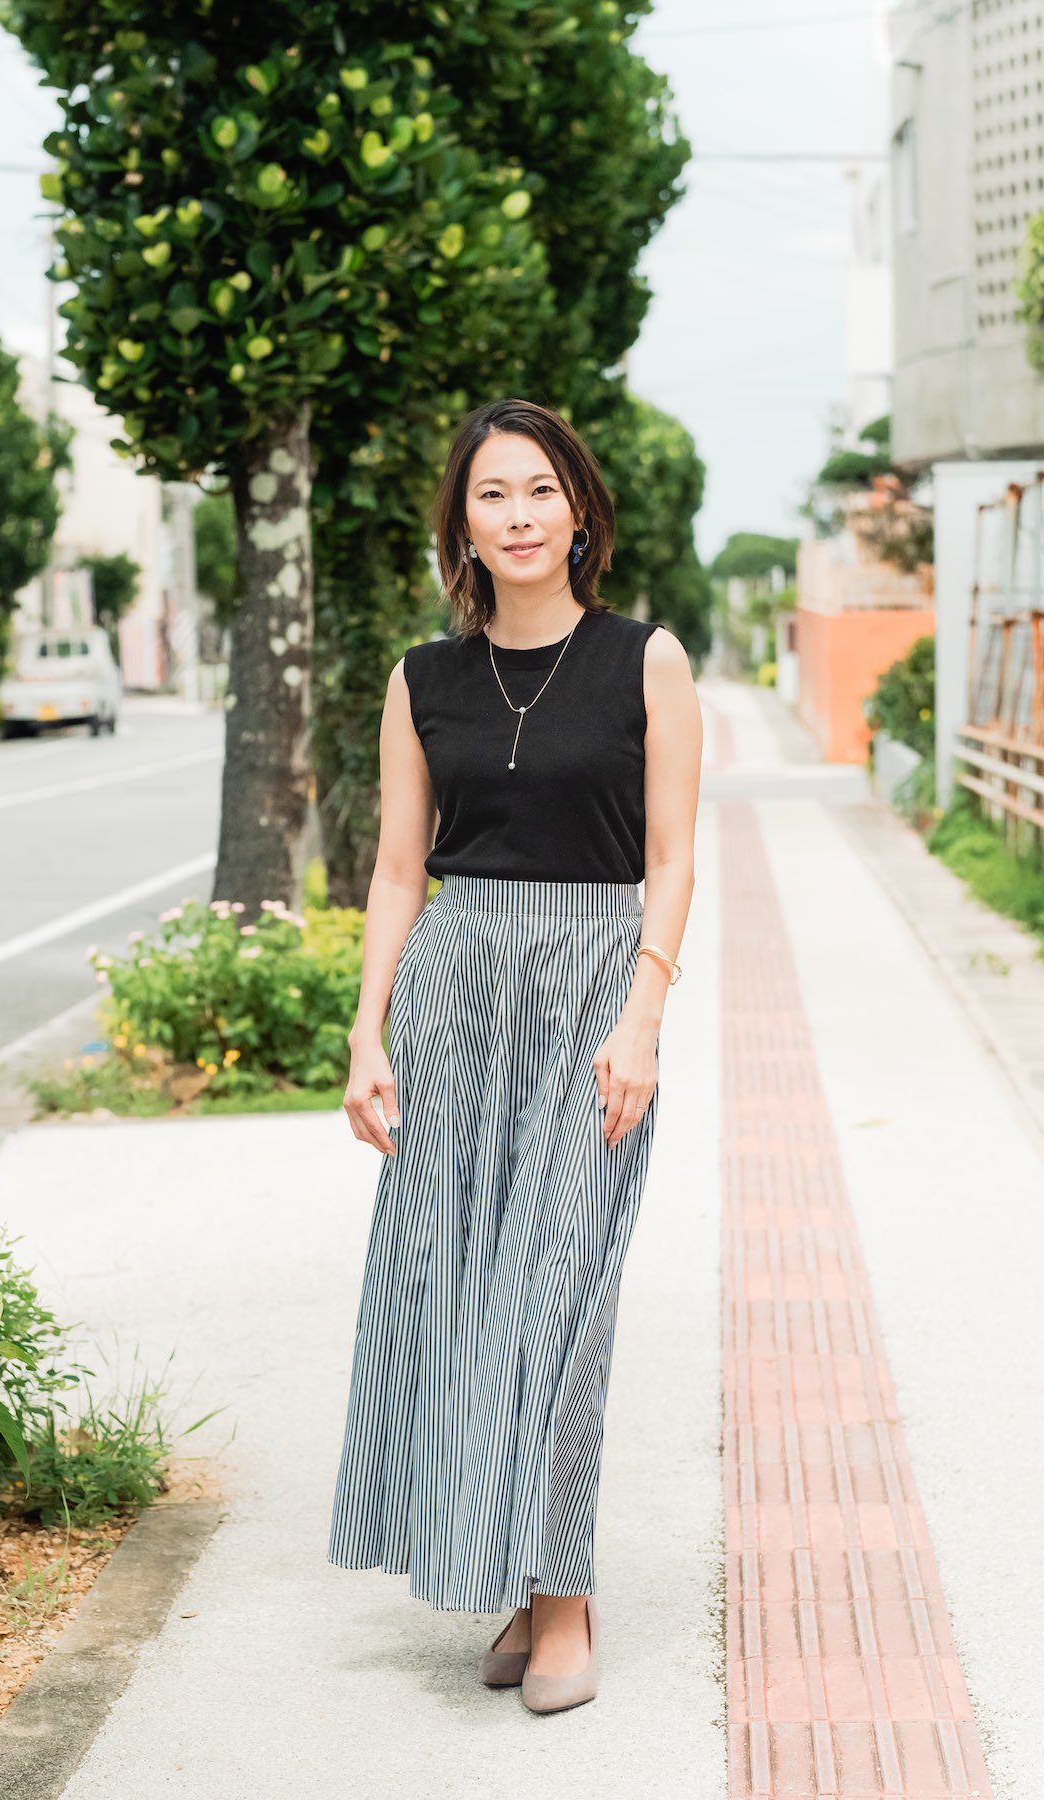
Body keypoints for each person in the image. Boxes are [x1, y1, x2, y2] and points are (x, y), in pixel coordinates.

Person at [329, 395, 702, 1715]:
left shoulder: (646, 661)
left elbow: (671, 860)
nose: (522, 514)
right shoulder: (422, 679)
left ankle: (564, 1597)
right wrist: (368, 1033)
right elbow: (397, 871)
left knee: (562, 1299)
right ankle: (514, 1577)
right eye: (494, 494)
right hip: (458, 995)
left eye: (542, 489)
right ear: (464, 526)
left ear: (580, 511)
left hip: (595, 995)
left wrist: (643, 1017)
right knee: (462, 1301)